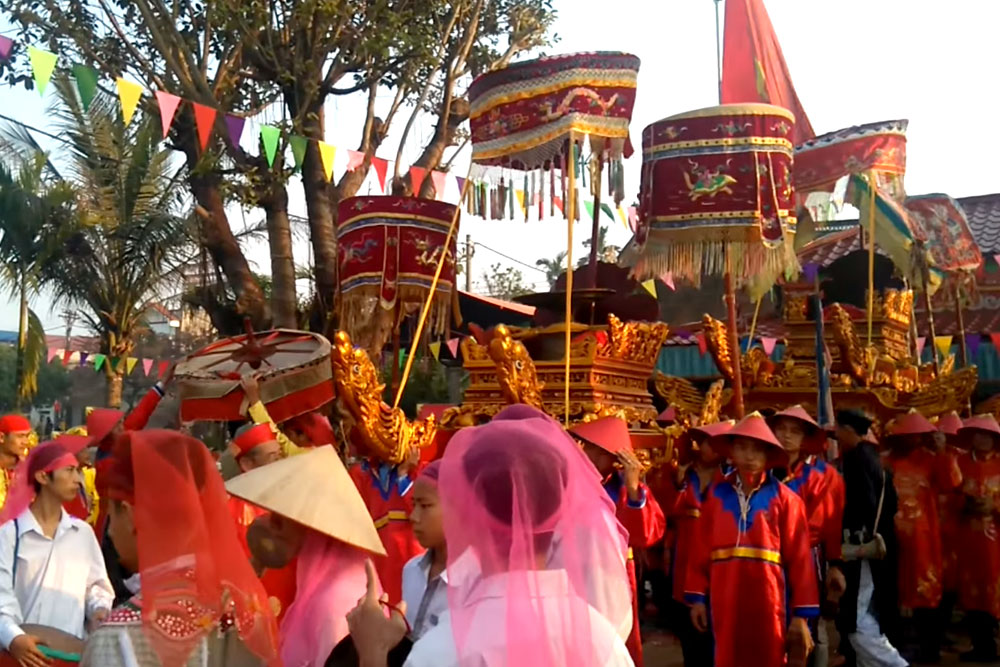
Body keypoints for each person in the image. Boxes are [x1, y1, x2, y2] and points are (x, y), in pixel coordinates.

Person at [347, 404, 634, 667]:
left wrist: (373, 653)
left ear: (467, 514)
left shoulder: (443, 650)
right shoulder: (603, 643)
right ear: (561, 511)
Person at [81, 429, 279, 666]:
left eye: (112, 516)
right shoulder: (247, 609)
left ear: (130, 514)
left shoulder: (116, 637)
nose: (111, 531)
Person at [226, 444, 386, 667]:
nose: (273, 522)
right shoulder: (320, 580)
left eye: (282, 516)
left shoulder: (337, 602)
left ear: (311, 525)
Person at [685, 412, 818, 667]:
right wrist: (697, 598)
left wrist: (801, 615)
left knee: (769, 657)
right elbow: (699, 549)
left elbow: (801, 562)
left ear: (768, 454)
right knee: (727, 655)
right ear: (731, 452)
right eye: (742, 447)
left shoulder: (788, 501)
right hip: (725, 598)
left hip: (770, 601)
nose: (749, 456)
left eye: (757, 449)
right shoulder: (715, 496)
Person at [0, 439, 113, 667]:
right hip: (23, 657)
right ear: (43, 477)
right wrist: (13, 637)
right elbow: (2, 597)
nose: (78, 479)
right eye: (69, 470)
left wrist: (99, 609)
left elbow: (96, 586)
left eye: (78, 471)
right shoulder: (10, 535)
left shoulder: (82, 533)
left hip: (71, 657)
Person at [570, 416, 666, 667]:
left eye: (592, 448)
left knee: (616, 638)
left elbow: (646, 535)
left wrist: (633, 490)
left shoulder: (627, 487)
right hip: (574, 571)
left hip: (616, 573)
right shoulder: (568, 482)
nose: (583, 452)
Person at [769, 406, 847, 667]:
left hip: (805, 558)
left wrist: (835, 563)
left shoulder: (822, 476)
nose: (786, 436)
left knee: (804, 627)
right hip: (764, 557)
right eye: (781, 429)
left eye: (794, 431)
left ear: (805, 439)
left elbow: (828, 524)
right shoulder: (760, 472)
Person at [883, 410, 961, 663]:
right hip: (890, 536)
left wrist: (942, 452)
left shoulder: (932, 459)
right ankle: (896, 645)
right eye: (906, 435)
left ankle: (929, 648)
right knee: (893, 590)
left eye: (916, 435)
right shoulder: (885, 461)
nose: (911, 439)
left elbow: (951, 484)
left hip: (923, 537)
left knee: (924, 589)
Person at [834, 408, 906, 667]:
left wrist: (851, 537)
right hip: (880, 543)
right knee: (865, 611)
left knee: (857, 618)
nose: (836, 435)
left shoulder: (857, 459)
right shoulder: (874, 458)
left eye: (838, 430)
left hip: (862, 547)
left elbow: (864, 503)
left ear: (847, 431)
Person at [670, 419, 732, 666]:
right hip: (684, 556)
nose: (709, 448)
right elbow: (667, 513)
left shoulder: (731, 478)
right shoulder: (685, 473)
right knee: (688, 635)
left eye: (716, 443)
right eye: (706, 442)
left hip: (718, 558)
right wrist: (678, 482)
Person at [225, 419, 297, 623]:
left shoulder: (293, 501)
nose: (281, 464)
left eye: (281, 455)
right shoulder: (226, 508)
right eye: (273, 458)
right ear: (247, 464)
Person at [348, 442, 423, 606]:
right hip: (381, 571)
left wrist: (403, 476)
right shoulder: (362, 475)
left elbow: (423, 514)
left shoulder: (423, 471)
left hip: (416, 566)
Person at [954, 414, 1000, 662]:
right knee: (972, 591)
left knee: (994, 590)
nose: (983, 439)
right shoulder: (959, 463)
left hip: (996, 540)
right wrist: (965, 504)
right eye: (979, 434)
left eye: (988, 435)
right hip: (968, 539)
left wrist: (995, 506)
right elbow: (948, 495)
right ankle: (981, 646)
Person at [401, 461, 447, 642]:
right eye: (413, 505)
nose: (413, 517)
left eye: (425, 506)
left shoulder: (476, 582)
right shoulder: (411, 570)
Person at [0, 416, 32, 510]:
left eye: (27, 436)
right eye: (20, 436)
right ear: (1, 437)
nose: (25, 442)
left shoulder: (32, 470)